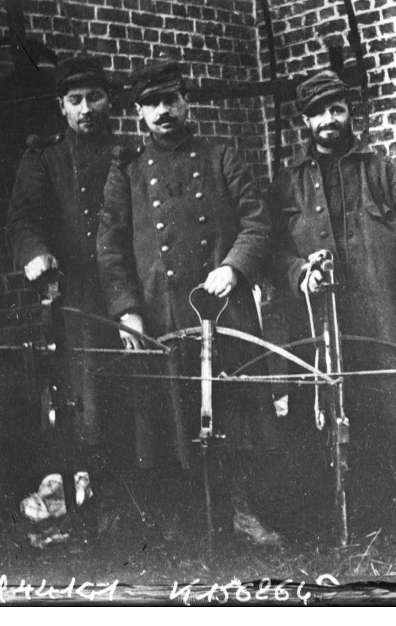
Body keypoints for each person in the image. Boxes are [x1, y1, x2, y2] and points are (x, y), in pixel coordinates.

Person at [97, 60, 281, 544]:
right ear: (139, 113)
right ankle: (183, 519)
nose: (162, 111)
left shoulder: (221, 155)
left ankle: (243, 511)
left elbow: (257, 221)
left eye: (170, 100)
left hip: (224, 307)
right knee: (170, 414)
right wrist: (127, 309)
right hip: (162, 312)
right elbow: (110, 246)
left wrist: (233, 266)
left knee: (236, 411)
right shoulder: (129, 172)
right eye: (151, 104)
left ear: (186, 102)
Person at [270, 69, 396, 532]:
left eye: (337, 109)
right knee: (331, 404)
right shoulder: (288, 182)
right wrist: (300, 273)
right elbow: (274, 251)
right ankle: (345, 504)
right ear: (305, 122)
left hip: (381, 311)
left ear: (349, 114)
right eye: (318, 113)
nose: (329, 120)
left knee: (395, 400)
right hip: (322, 316)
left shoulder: (382, 171)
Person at [5, 54, 123, 482]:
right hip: (77, 293)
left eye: (95, 97)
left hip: (129, 288)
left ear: (109, 101)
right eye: (76, 99)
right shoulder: (44, 159)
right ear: (62, 106)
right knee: (86, 395)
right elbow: (22, 221)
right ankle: (87, 479)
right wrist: (34, 252)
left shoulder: (127, 155)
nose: (86, 108)